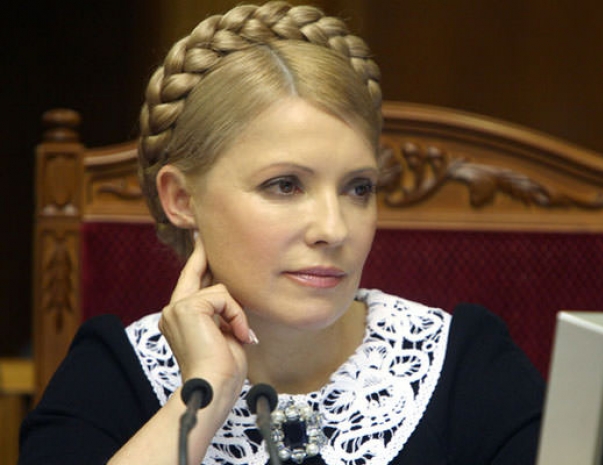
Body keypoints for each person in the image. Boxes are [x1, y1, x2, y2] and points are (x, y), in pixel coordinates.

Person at [19, 2, 544, 464]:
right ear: (181, 199)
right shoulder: (111, 373)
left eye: (358, 188)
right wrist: (204, 394)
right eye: (285, 185)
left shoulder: (468, 364)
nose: (333, 229)